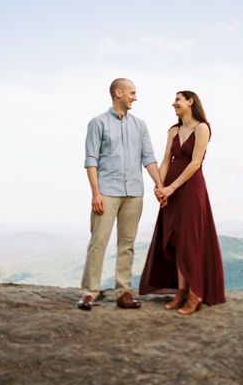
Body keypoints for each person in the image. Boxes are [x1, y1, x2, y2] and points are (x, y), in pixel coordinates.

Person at [78, 78, 162, 311]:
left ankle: (124, 293)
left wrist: (159, 185)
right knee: (98, 243)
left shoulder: (140, 125)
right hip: (107, 192)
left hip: (134, 192)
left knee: (127, 244)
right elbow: (91, 160)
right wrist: (96, 193)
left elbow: (149, 157)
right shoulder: (98, 123)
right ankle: (89, 293)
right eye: (132, 93)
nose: (135, 97)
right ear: (118, 93)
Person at [139, 91, 226, 314]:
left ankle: (195, 293)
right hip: (170, 189)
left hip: (190, 188)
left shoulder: (202, 128)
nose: (173, 104)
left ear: (190, 102)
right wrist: (159, 186)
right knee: (174, 238)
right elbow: (166, 160)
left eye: (177, 100)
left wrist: (172, 187)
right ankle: (182, 290)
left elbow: (195, 163)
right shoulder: (173, 130)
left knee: (189, 239)